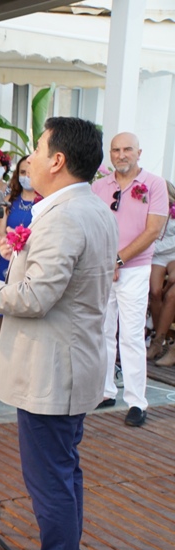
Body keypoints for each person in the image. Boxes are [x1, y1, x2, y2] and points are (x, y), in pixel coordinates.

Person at [0, 116, 117, 550]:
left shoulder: (65, 216)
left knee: (50, 476)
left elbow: (34, 298)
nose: (31, 160)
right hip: (70, 362)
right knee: (63, 470)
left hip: (54, 369)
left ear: (58, 160)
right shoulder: (90, 206)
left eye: (39, 150)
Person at [92, 132, 168, 426]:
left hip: (134, 269)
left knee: (131, 335)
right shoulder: (99, 186)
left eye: (127, 149)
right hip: (103, 268)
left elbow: (153, 230)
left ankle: (137, 401)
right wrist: (105, 260)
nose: (121, 155)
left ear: (139, 152)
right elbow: (94, 226)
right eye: (115, 150)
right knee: (102, 330)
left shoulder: (154, 184)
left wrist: (118, 260)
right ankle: (105, 390)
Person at [0, 155, 40, 281]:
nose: (27, 176)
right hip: (8, 254)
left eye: (30, 172)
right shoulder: (8, 200)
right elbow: (0, 231)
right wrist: (13, 244)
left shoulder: (44, 202)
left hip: (31, 258)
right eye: (23, 172)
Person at [148, 182, 175, 365]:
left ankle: (158, 339)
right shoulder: (152, 209)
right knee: (155, 291)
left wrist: (151, 248)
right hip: (157, 255)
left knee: (171, 283)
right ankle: (159, 339)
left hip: (172, 253)